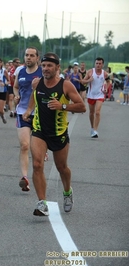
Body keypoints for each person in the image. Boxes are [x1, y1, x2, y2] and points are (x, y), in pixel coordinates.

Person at [22, 53, 86, 216]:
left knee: (62, 168)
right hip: (39, 131)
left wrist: (62, 106)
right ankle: (42, 202)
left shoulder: (66, 86)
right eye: (43, 65)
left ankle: (67, 192)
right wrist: (29, 110)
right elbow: (34, 97)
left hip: (58, 133)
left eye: (49, 66)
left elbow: (81, 106)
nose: (45, 69)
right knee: (37, 164)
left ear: (57, 67)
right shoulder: (37, 83)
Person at [13, 47, 43, 192]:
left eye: (32, 55)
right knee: (25, 145)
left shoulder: (43, 72)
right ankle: (25, 177)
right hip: (22, 112)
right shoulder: (20, 71)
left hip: (40, 114)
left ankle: (44, 149)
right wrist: (16, 95)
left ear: (37, 58)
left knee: (37, 149)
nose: (28, 58)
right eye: (26, 55)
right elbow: (15, 86)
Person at [81, 57, 110, 138]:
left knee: (97, 112)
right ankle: (92, 127)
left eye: (100, 63)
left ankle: (95, 130)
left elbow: (108, 81)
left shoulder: (104, 73)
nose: (98, 65)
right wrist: (89, 80)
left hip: (100, 95)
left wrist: (106, 88)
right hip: (91, 95)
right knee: (91, 113)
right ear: (95, 64)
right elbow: (83, 81)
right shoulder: (90, 72)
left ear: (102, 65)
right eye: (97, 63)